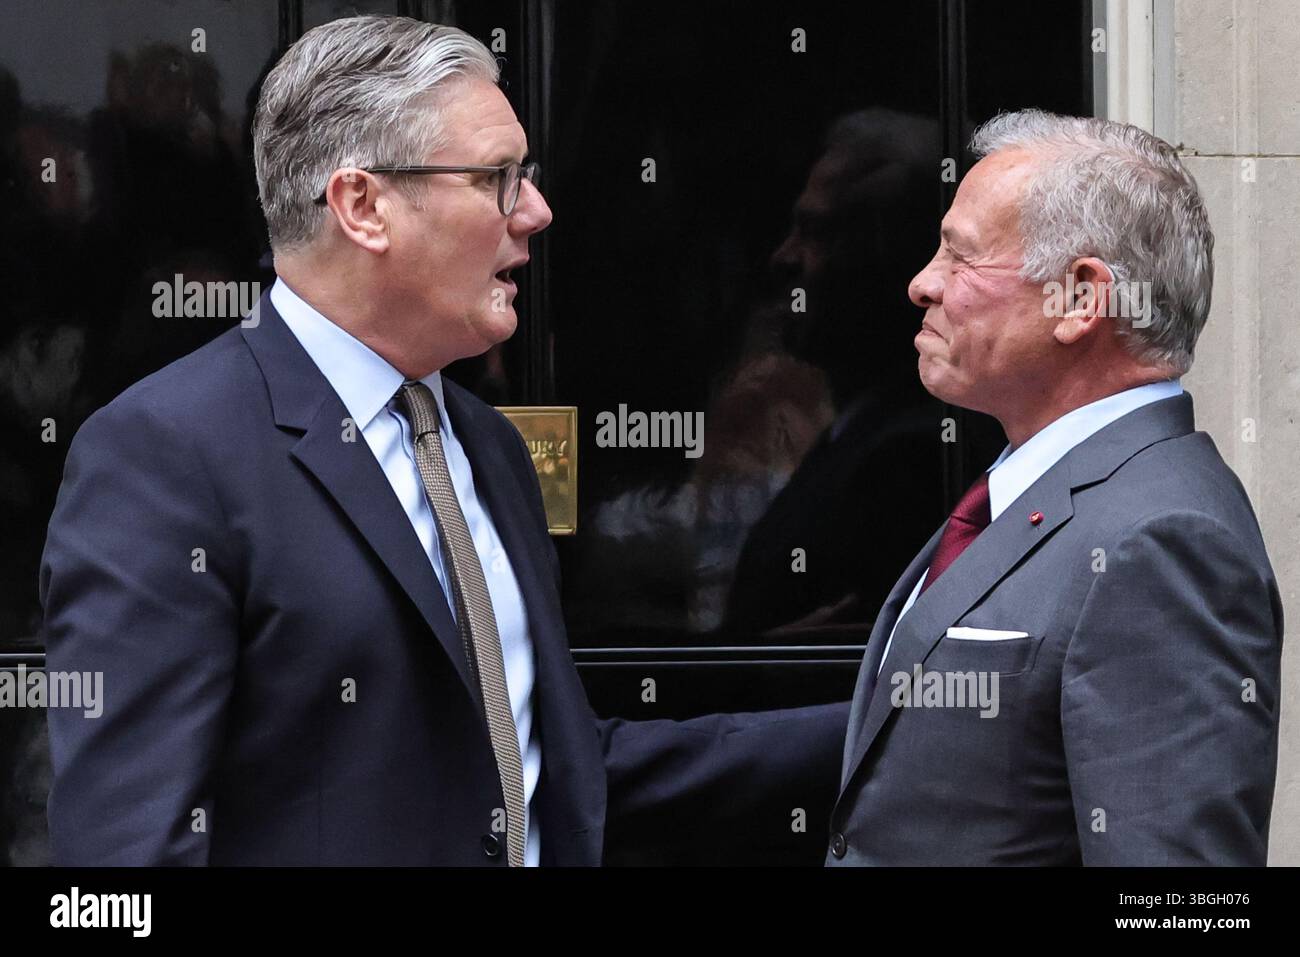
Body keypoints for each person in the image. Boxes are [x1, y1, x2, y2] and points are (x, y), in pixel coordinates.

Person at [40, 15, 847, 866]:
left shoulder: (488, 449)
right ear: (362, 206)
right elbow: (122, 860)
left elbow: (549, 778)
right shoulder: (164, 456)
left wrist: (889, 723)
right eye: (496, 177)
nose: (535, 210)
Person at [826, 110, 1283, 866]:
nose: (922, 282)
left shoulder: (1161, 538)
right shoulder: (1044, 481)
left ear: (1080, 298)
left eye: (959, 256)